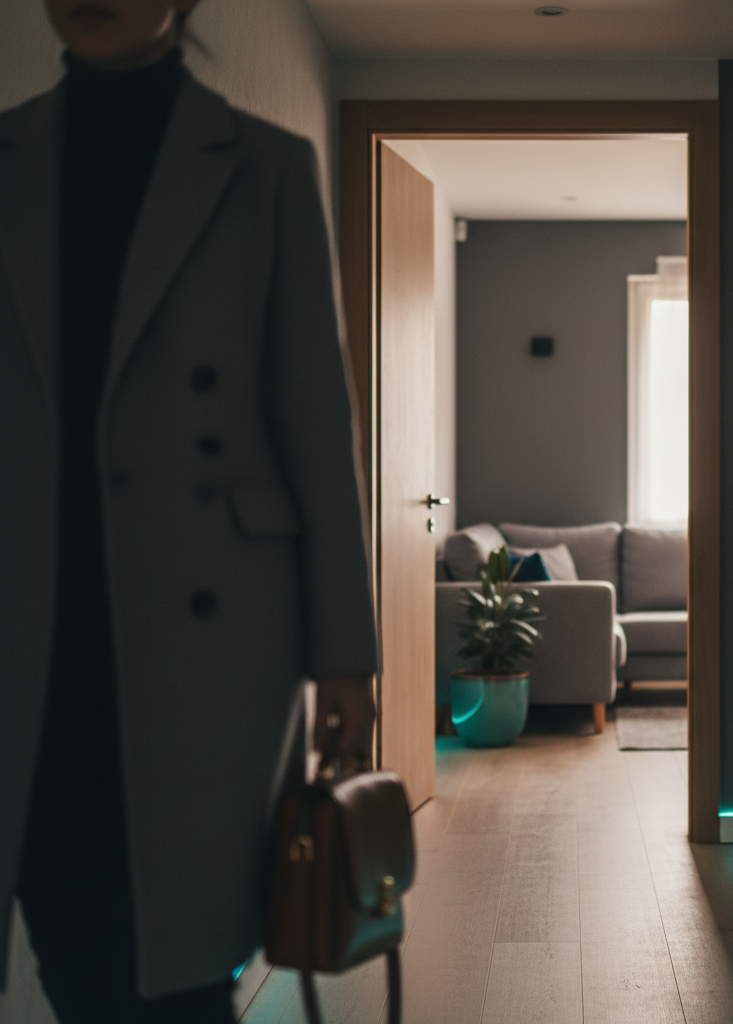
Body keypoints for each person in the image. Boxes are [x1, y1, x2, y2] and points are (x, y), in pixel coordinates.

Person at [0, 1, 379, 1020]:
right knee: (68, 938)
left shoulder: (265, 168)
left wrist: (345, 652)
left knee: (182, 950)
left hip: (205, 630)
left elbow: (313, 422)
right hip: (27, 612)